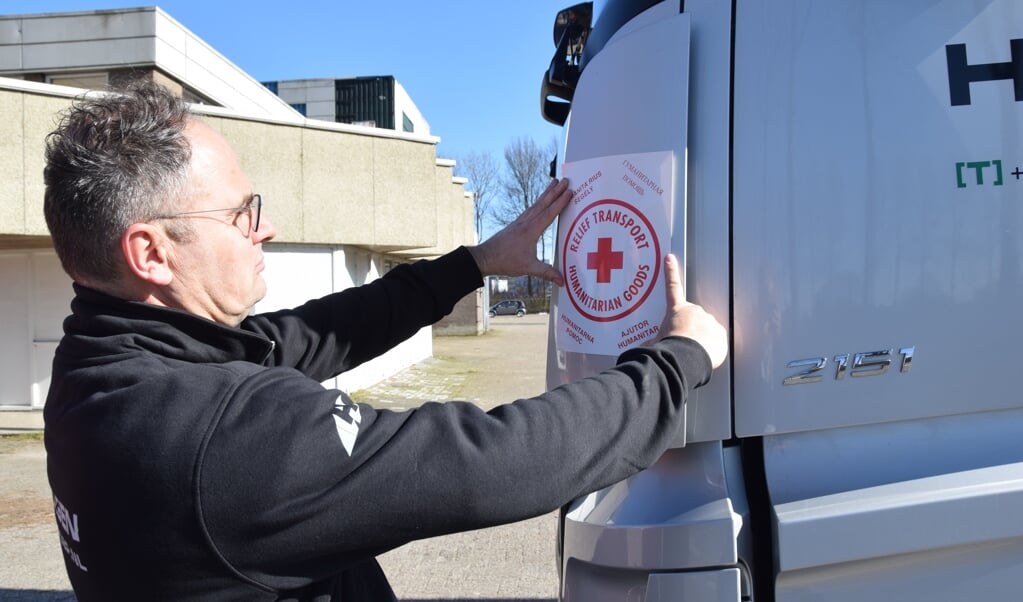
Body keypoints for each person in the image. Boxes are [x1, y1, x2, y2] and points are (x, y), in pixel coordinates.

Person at [42, 80, 727, 601]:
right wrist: (676, 361)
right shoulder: (216, 438)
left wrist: (475, 264)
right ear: (152, 253)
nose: (266, 228)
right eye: (243, 213)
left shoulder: (99, 368)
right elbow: (489, 464)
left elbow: (311, 336)